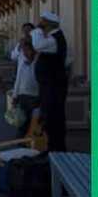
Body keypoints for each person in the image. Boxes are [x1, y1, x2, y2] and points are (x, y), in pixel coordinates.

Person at [32, 10, 68, 151]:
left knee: (54, 119)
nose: (39, 23)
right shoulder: (53, 38)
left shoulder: (54, 39)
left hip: (53, 88)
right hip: (49, 87)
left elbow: (37, 45)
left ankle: (56, 149)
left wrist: (37, 31)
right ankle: (52, 147)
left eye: (42, 21)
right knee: (49, 118)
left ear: (48, 24)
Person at [11, 38, 40, 139]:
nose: (25, 53)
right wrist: (15, 96)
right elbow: (18, 80)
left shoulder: (39, 63)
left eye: (28, 50)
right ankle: (20, 140)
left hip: (36, 96)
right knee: (23, 120)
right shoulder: (23, 63)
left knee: (35, 120)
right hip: (23, 96)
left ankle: (32, 139)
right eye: (24, 51)